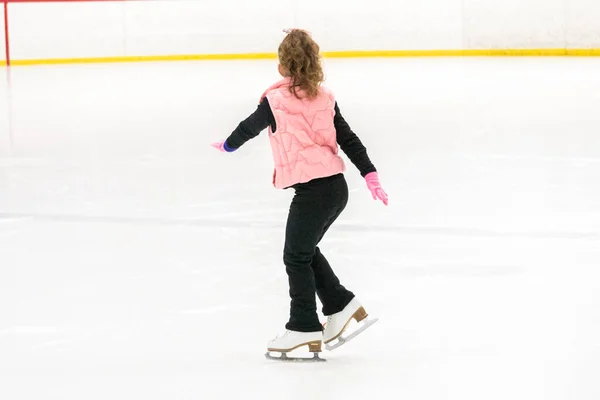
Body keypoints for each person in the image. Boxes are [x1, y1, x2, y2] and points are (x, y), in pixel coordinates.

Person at [211, 29, 388, 356]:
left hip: (314, 193)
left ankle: (303, 326)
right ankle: (340, 304)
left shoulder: (274, 102)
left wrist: (228, 145)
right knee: (304, 250)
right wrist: (370, 174)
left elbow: (248, 127)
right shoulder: (325, 97)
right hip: (335, 189)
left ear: (282, 66)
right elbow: (348, 139)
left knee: (295, 255)